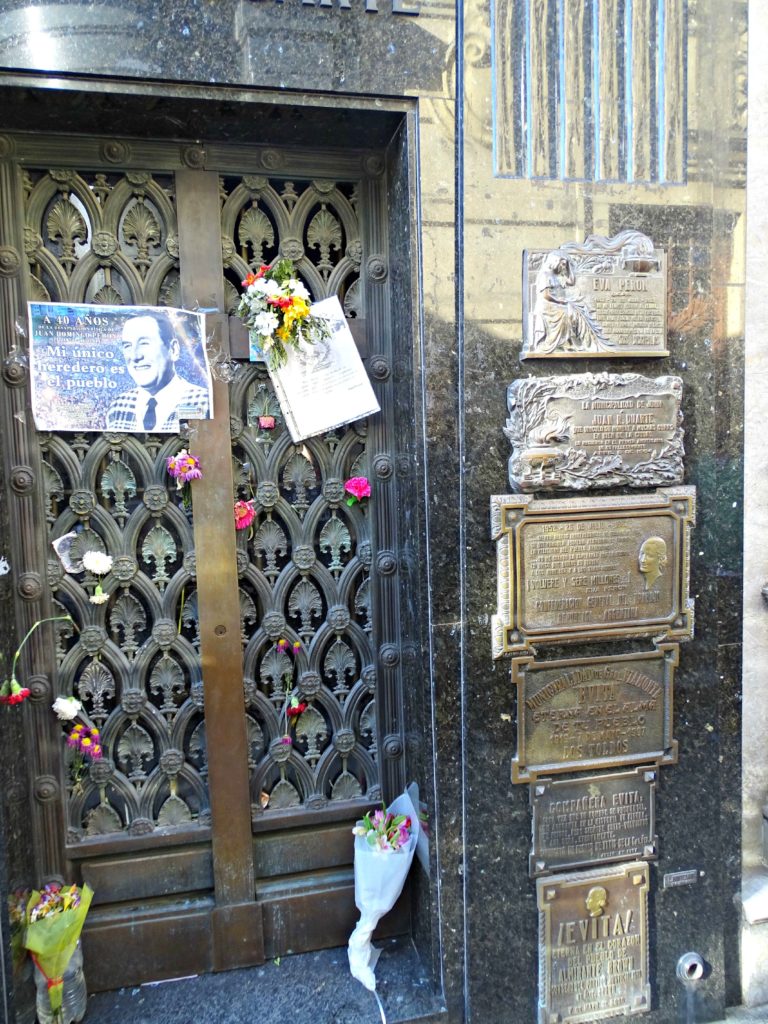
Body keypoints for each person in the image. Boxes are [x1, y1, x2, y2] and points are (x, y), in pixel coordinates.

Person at [106, 313, 210, 432]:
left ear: (173, 349)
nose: (135, 356)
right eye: (128, 346)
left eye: (144, 343)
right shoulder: (119, 406)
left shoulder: (201, 401)